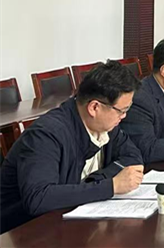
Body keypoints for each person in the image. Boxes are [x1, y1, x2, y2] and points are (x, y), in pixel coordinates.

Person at [0, 62, 144, 234]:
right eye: (121, 110)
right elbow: (38, 198)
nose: (124, 116)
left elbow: (133, 157)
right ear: (94, 107)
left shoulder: (105, 125)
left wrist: (97, 180)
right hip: (23, 232)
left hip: (71, 220)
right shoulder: (46, 135)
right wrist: (110, 186)